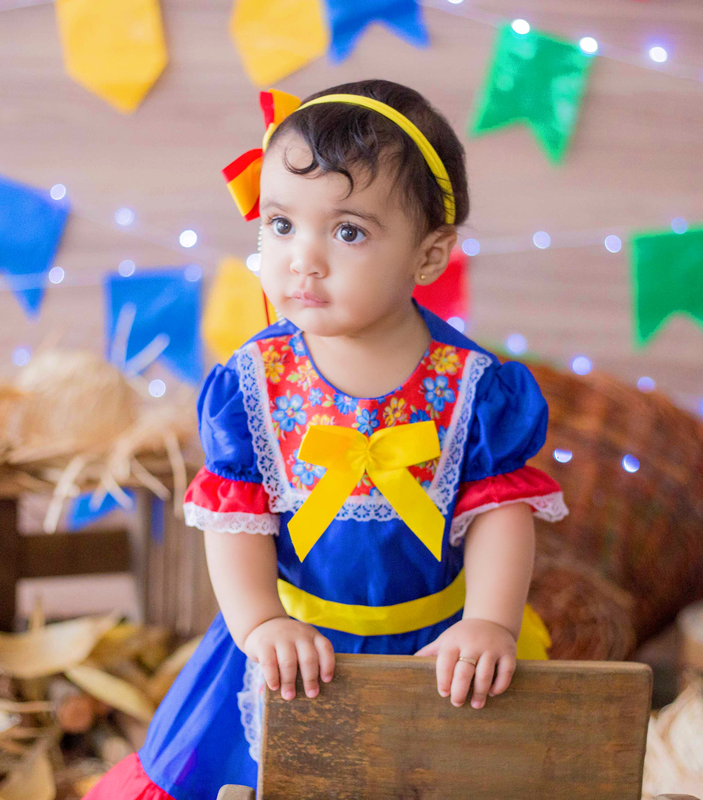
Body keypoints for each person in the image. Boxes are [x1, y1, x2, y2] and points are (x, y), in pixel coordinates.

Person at [85, 79, 568, 800]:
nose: (303, 258)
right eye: (281, 225)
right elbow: (236, 519)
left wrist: (489, 622)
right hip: (292, 649)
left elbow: (500, 512)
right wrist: (260, 625)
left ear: (429, 257)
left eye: (347, 232)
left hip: (432, 649)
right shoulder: (254, 383)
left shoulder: (471, 386)